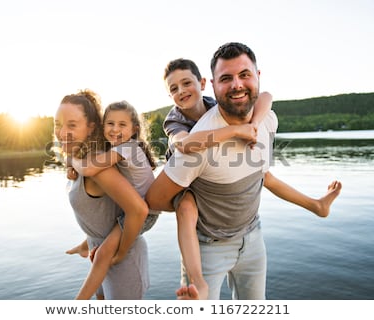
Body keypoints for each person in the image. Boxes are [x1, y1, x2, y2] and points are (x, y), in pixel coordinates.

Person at [146, 42, 341, 300]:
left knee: (262, 175)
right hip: (207, 245)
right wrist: (195, 201)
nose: (237, 85)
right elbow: (159, 192)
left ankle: (317, 205)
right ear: (214, 85)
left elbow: (267, 101)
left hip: (252, 235)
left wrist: (254, 125)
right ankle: (198, 279)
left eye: (245, 75)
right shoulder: (190, 138)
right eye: (226, 78)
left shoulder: (267, 118)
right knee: (187, 208)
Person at [54, 89, 150, 299]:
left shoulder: (98, 166)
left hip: (122, 260)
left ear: (91, 128)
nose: (62, 133)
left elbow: (139, 209)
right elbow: (101, 212)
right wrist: (88, 242)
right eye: (58, 124)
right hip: (99, 252)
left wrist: (121, 251)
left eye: (71, 125)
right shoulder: (83, 159)